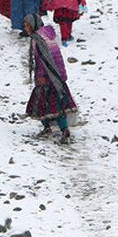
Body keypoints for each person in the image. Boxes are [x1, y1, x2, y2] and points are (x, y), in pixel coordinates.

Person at [23, 13, 76, 144]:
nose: (26, 29)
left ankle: (55, 129)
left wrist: (41, 76)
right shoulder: (46, 35)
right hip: (56, 75)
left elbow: (43, 60)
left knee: (47, 104)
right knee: (56, 103)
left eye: (27, 26)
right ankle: (58, 129)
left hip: (48, 77)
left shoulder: (39, 39)